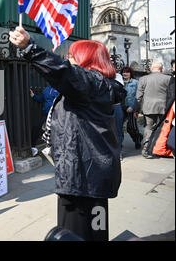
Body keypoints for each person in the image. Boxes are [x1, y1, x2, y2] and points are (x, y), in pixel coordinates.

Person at [9, 27, 125, 241]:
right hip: (90, 177)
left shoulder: (91, 83)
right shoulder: (97, 86)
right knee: (95, 232)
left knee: (73, 234)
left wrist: (30, 48)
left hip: (81, 180)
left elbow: (63, 72)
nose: (67, 59)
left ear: (86, 59)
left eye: (71, 56)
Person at [134, 61, 171, 159]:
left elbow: (138, 97)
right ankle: (164, 148)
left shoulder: (143, 79)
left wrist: (136, 110)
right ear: (161, 69)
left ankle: (146, 147)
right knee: (165, 127)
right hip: (164, 107)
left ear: (151, 69)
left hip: (149, 107)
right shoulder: (168, 78)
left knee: (149, 127)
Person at [121, 67, 142, 149]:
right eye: (123, 72)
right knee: (120, 127)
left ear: (131, 73)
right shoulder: (120, 82)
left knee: (131, 127)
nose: (125, 74)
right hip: (121, 107)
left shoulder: (136, 82)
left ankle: (137, 139)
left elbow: (137, 96)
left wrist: (132, 107)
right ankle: (120, 144)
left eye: (127, 72)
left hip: (131, 108)